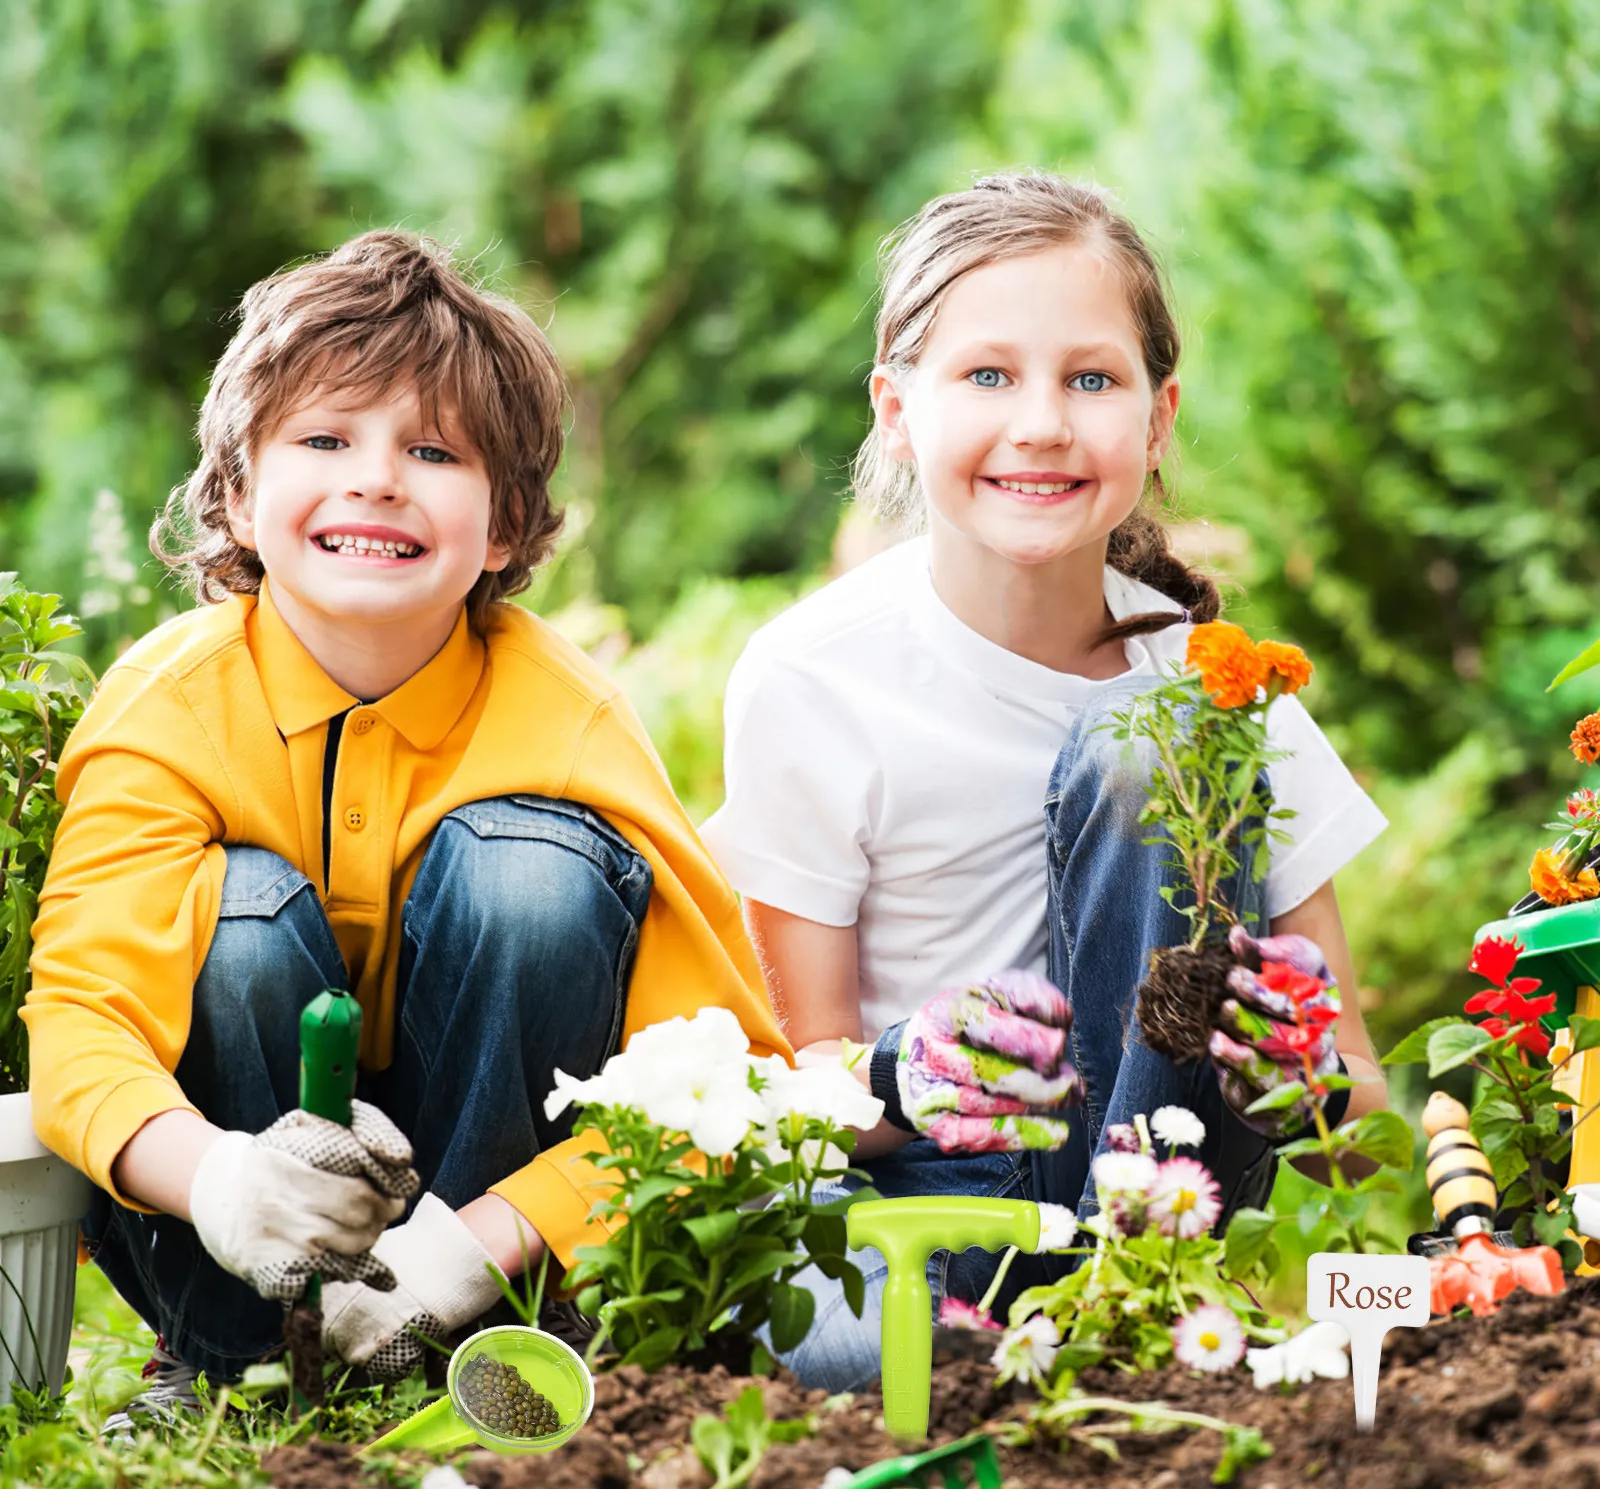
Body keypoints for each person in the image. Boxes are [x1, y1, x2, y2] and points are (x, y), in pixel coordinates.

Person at [23, 232, 787, 1422]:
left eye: (432, 451)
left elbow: (709, 1080)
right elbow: (82, 1021)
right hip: (234, 1239)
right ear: (236, 489)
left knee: (531, 875)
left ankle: (477, 1343)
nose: (376, 479)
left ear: (506, 525)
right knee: (239, 919)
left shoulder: (568, 721)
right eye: (325, 440)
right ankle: (240, 1368)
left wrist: (480, 1242)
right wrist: (221, 1177)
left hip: (485, 1241)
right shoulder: (168, 707)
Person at [700, 172, 1390, 1390]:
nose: (1042, 424)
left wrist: (1302, 1078)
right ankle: (1055, 1349)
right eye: (985, 375)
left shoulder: (1218, 685)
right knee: (841, 1343)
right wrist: (906, 1074)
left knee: (1156, 735)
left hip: (1181, 1198)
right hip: (943, 1196)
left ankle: (1131, 1306)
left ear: (1157, 416)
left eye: (1091, 378)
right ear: (895, 407)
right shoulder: (814, 676)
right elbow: (791, 1098)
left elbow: (1360, 1122)